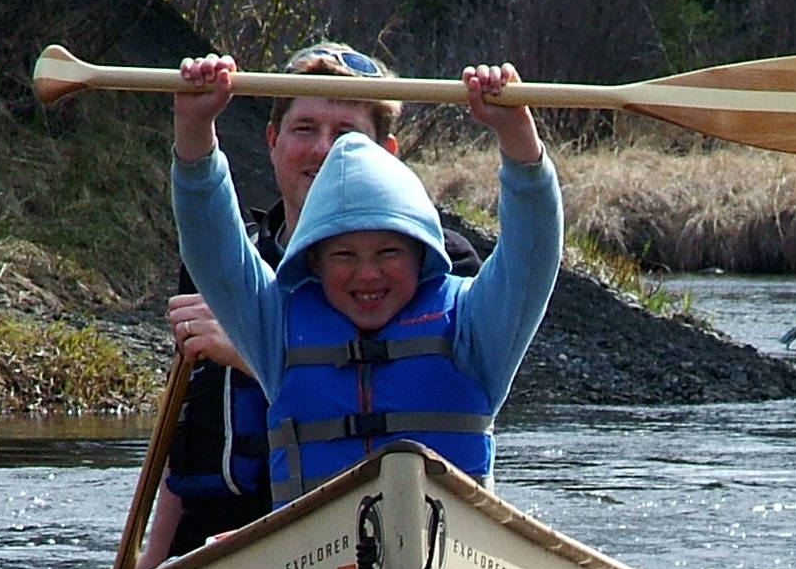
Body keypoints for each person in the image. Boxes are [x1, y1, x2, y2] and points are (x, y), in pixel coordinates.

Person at [140, 43, 480, 569]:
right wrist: (150, 560)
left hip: (351, 536)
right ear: (273, 142)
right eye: (305, 129)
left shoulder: (433, 268)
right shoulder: (228, 262)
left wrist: (253, 351)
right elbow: (190, 431)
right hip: (215, 548)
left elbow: (419, 383)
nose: (324, 151)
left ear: (385, 154)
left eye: (346, 135)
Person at [170, 54, 561, 506]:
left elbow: (532, 248)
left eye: (389, 252)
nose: (368, 273)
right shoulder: (274, 326)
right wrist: (195, 129)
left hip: (450, 545)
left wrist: (516, 136)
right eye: (344, 256)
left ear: (423, 255)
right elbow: (210, 241)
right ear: (314, 263)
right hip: (313, 559)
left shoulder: (474, 326)